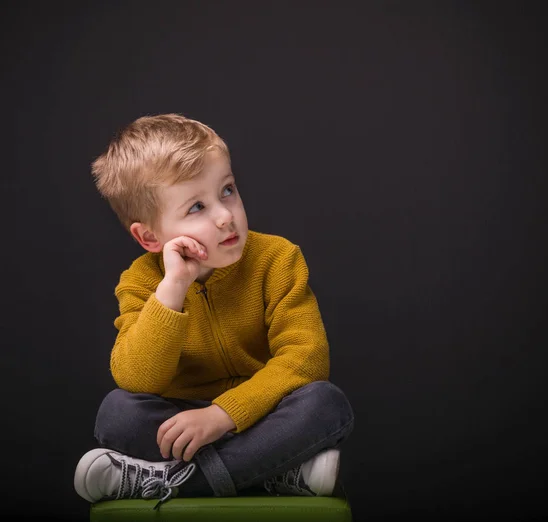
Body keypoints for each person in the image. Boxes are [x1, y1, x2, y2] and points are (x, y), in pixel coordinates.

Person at [73, 113, 354, 507]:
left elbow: (306, 359)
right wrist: (173, 288)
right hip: (180, 422)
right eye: (196, 208)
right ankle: (274, 471)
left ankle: (166, 481)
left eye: (227, 190)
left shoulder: (277, 259)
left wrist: (223, 415)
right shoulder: (140, 282)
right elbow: (137, 378)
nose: (225, 216)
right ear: (149, 236)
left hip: (263, 414)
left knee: (326, 404)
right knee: (118, 412)